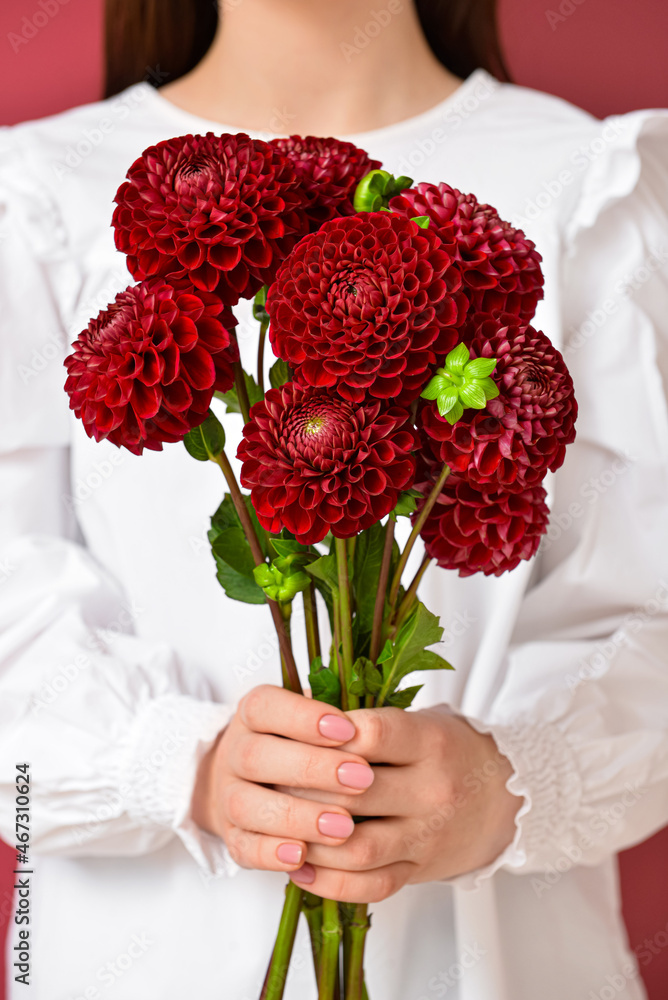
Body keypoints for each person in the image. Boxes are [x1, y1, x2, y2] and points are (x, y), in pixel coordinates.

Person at [1, 1, 667, 997]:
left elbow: (647, 612)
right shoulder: (38, 192)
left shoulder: (586, 181)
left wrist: (512, 779)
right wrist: (177, 765)